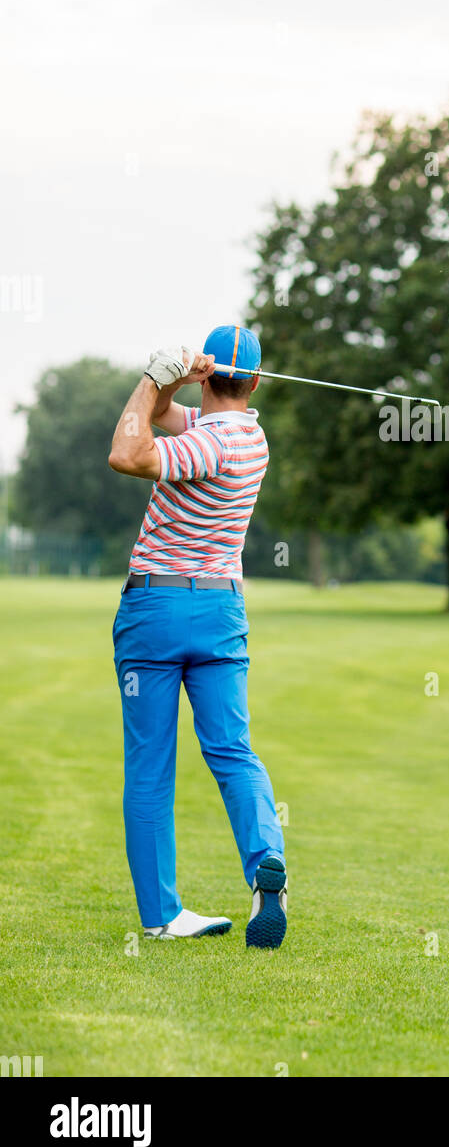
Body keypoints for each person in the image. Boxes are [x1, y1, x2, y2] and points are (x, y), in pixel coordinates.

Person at [108, 325, 287, 948]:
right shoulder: (252, 439)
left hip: (155, 611)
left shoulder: (205, 445)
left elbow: (128, 452)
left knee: (150, 767)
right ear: (256, 382)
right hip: (220, 613)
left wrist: (155, 377)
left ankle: (161, 915)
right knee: (233, 751)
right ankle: (267, 866)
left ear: (210, 376)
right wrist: (173, 387)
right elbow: (170, 420)